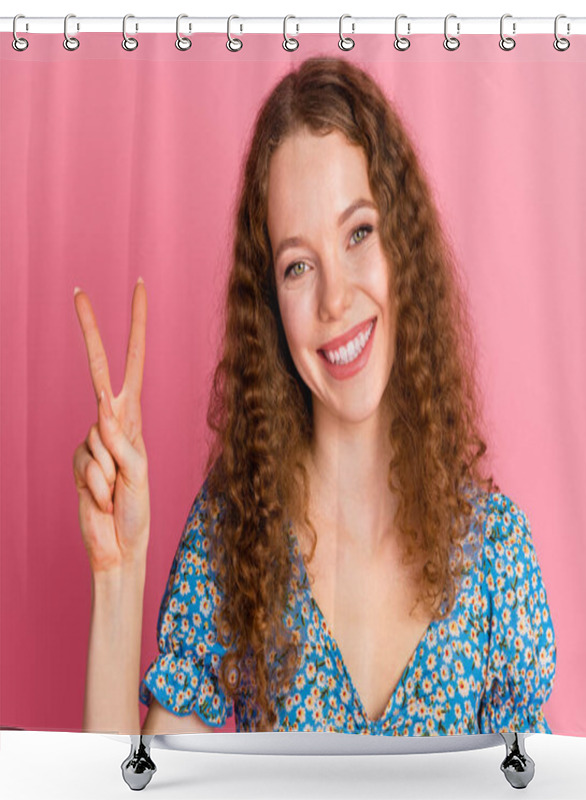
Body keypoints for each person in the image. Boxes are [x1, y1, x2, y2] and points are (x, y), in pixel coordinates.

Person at [74, 56, 556, 737]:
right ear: (271, 304)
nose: (335, 299)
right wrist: (116, 576)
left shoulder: (498, 555)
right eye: (298, 265)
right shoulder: (232, 535)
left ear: (404, 250)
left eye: (359, 233)